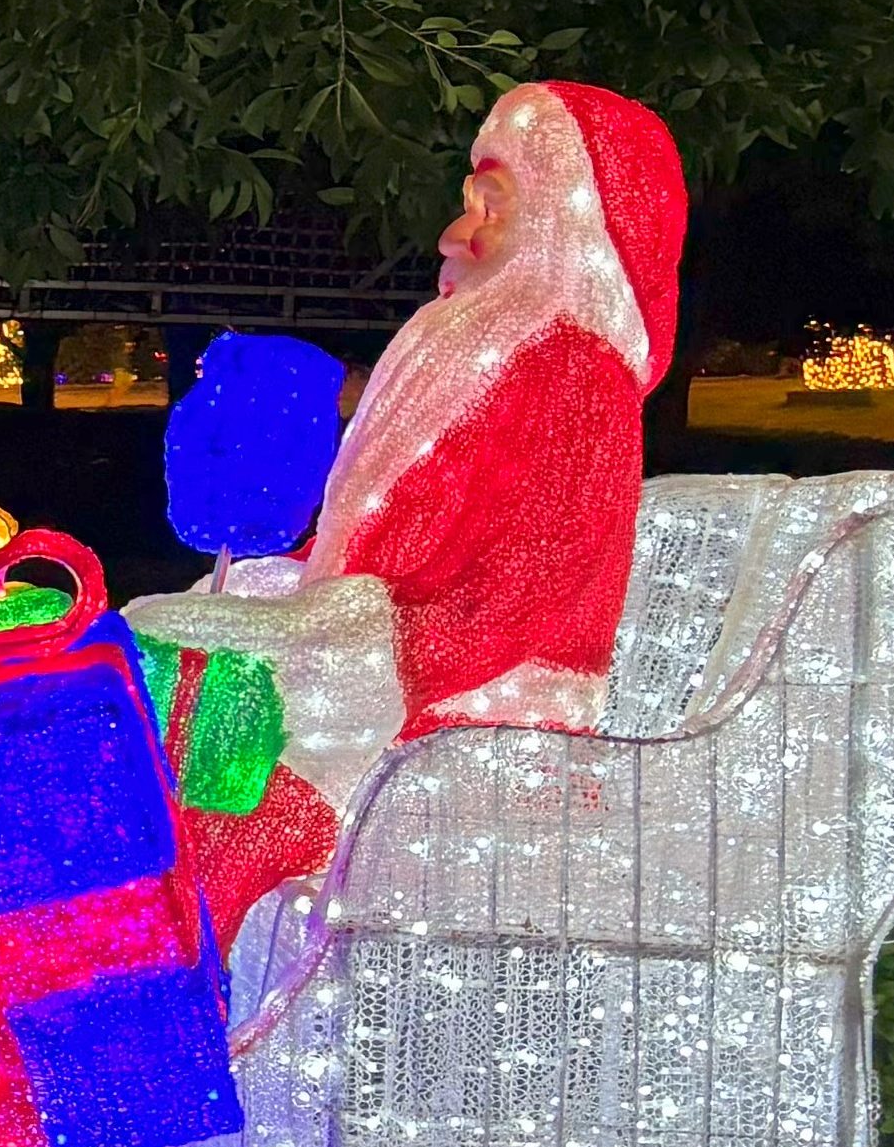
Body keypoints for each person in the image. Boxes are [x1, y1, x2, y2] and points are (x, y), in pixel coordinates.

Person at [132, 79, 691, 929]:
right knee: (131, 727)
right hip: (370, 701)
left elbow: (505, 608)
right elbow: (377, 558)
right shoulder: (475, 356)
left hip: (472, 738)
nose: (454, 236)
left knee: (209, 822)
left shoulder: (572, 377)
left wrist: (299, 633)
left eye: (490, 207)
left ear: (563, 227)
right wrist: (262, 593)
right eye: (466, 202)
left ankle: (150, 1029)